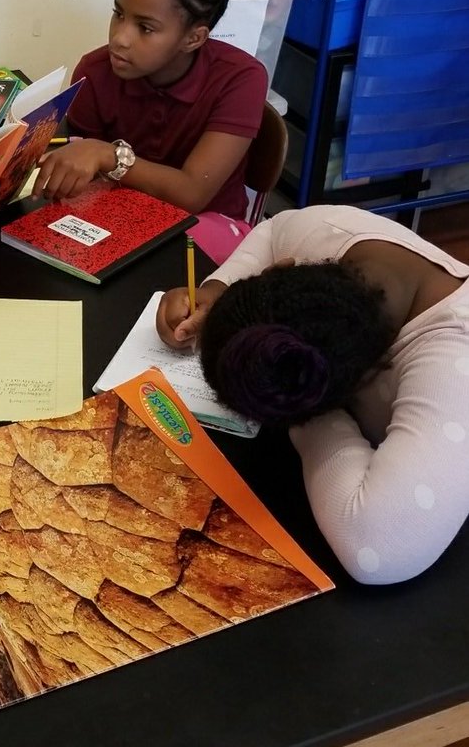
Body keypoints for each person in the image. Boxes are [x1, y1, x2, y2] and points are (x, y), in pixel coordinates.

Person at [155, 205, 469, 585]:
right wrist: (215, 290)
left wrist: (307, 412)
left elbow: (378, 551)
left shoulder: (454, 366)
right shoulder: (331, 234)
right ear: (284, 269)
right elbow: (273, 231)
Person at [31, 0, 268, 264]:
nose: (119, 38)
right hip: (117, 215)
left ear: (194, 37)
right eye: (119, 14)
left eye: (145, 28)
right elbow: (87, 179)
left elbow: (192, 194)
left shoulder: (241, 78)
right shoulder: (95, 70)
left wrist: (107, 155)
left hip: (208, 227)